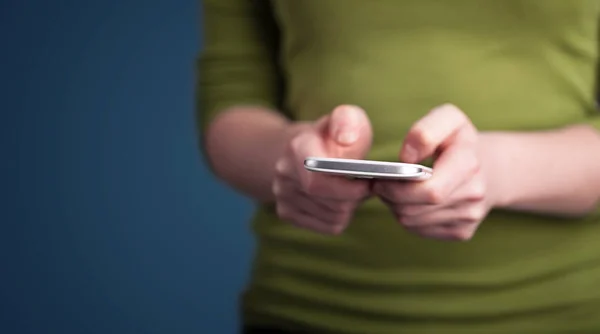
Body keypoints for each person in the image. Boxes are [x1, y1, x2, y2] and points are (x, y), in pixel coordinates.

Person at [196, 1, 600, 333]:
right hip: (306, 306)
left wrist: (499, 170)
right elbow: (232, 96)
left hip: (558, 311)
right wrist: (288, 158)